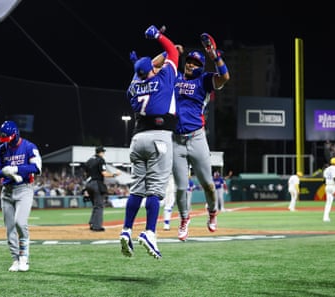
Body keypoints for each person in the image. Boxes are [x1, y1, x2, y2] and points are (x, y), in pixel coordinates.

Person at [155, 32, 230, 241]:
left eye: (196, 63)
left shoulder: (205, 80)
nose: (191, 65)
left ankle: (212, 212)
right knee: (180, 187)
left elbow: (224, 77)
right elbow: (155, 66)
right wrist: (168, 51)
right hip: (176, 140)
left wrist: (214, 55)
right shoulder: (176, 77)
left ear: (202, 66)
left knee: (207, 183)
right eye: (189, 62)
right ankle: (184, 219)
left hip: (196, 138)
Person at [119, 24, 179, 259]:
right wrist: (158, 36)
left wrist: (140, 66)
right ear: (152, 69)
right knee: (155, 190)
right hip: (159, 137)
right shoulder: (163, 77)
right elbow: (172, 52)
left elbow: (145, 69)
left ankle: (126, 230)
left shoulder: (133, 85)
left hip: (137, 139)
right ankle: (150, 233)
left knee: (137, 189)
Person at [0, 120, 42, 272]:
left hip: (24, 189)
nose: (7, 143)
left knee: (20, 222)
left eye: (9, 139)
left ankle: (24, 256)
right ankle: (15, 259)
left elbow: (37, 168)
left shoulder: (29, 146)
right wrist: (5, 172)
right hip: (7, 191)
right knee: (10, 227)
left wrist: (16, 169)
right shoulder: (1, 149)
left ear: (16, 134)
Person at [84, 146, 121, 232]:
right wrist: (115, 174)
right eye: (103, 152)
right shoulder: (100, 160)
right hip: (97, 183)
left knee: (95, 205)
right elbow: (104, 173)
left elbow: (86, 173)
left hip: (89, 184)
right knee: (99, 205)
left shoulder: (89, 160)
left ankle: (92, 223)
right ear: (101, 152)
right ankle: (97, 226)